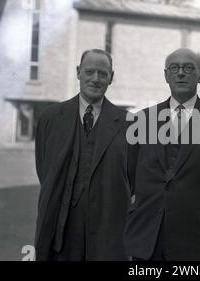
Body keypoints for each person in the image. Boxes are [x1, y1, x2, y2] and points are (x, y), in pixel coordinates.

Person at [124, 48, 200, 261]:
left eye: (189, 68)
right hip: (147, 239)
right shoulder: (142, 121)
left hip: (196, 237)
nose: (181, 73)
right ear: (166, 75)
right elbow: (129, 174)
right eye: (174, 68)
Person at [34, 49, 131, 261]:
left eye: (102, 73)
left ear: (111, 78)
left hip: (107, 234)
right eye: (89, 72)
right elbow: (45, 170)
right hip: (61, 233)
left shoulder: (129, 124)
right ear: (78, 72)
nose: (95, 79)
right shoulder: (50, 119)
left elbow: (132, 180)